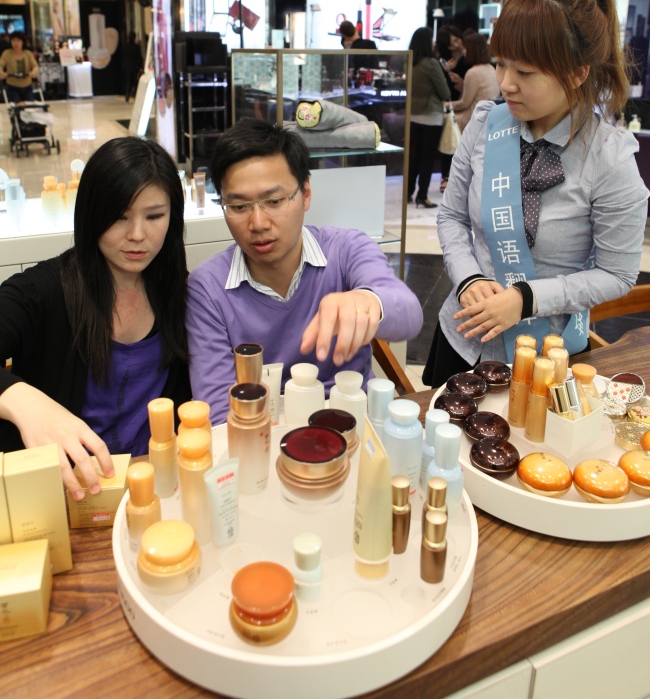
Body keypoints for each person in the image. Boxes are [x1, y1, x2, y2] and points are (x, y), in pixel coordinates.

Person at [422, 0, 649, 387]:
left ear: (578, 73)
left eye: (524, 71)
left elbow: (618, 274)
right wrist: (469, 277)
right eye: (500, 63)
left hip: (546, 353)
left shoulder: (610, 159)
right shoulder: (485, 125)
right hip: (464, 337)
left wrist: (527, 299)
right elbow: (452, 217)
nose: (506, 82)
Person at [186, 119, 423, 423]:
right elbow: (218, 411)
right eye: (239, 206)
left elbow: (410, 315)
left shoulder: (345, 250)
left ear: (306, 194)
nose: (258, 223)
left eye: (273, 201)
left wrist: (368, 301)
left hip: (351, 427)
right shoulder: (208, 287)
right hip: (262, 439)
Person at [0, 136, 190, 498]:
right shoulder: (43, 292)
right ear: (90, 216)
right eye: (119, 218)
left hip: (157, 488)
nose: (138, 235)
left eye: (154, 216)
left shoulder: (179, 292)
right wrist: (22, 400)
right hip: (69, 496)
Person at [407, 26, 451, 208]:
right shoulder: (431, 64)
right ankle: (422, 196)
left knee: (415, 156)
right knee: (427, 158)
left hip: (414, 114)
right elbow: (445, 92)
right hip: (431, 115)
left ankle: (408, 192)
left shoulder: (410, 63)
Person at [436, 25, 466, 193]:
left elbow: (469, 90)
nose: (457, 43)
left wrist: (461, 82)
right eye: (452, 42)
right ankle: (446, 176)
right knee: (448, 139)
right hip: (449, 107)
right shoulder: (442, 62)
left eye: (457, 39)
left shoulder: (468, 60)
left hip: (464, 104)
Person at [452, 32, 500, 132]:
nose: (463, 52)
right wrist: (461, 83)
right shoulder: (491, 68)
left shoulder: (473, 72)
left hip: (472, 119)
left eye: (465, 48)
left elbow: (464, 103)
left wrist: (445, 105)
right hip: (487, 118)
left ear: (471, 50)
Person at [0, 32, 39, 103]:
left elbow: (35, 65)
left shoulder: (28, 53)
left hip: (27, 86)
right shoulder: (7, 53)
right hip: (12, 86)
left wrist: (33, 72)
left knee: (29, 106)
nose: (15, 43)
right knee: (16, 107)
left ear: (22, 42)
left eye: (18, 41)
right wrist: (1, 73)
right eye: (13, 40)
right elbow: (0, 65)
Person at [122, 31, 143, 102]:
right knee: (135, 81)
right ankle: (135, 95)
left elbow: (123, 57)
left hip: (127, 66)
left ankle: (127, 94)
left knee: (128, 81)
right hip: (135, 66)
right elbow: (139, 57)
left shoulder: (125, 46)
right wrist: (141, 66)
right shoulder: (137, 47)